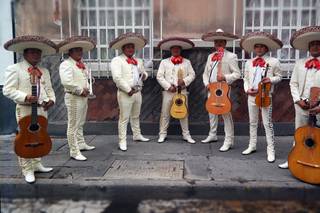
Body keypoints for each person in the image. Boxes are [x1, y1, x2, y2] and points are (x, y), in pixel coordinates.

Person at [3, 35, 57, 183]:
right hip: (25, 109)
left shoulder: (43, 70)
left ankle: (36, 163)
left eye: (38, 52)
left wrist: (51, 100)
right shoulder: (15, 69)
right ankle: (27, 169)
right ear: (25, 53)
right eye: (32, 52)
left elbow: (49, 89)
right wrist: (25, 97)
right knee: (25, 137)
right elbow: (7, 90)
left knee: (39, 135)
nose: (36, 55)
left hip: (42, 109)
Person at [240, 32, 283, 163]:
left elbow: (279, 77)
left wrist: (270, 79)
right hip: (252, 96)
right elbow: (245, 78)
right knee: (252, 122)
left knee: (267, 123)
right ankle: (252, 145)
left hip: (265, 96)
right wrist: (248, 90)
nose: (258, 49)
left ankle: (271, 149)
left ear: (266, 48)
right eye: (256, 47)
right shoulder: (249, 62)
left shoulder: (273, 61)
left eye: (261, 47)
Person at [201, 29, 241, 152]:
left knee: (225, 113)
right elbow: (205, 73)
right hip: (211, 89)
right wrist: (207, 83)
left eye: (221, 42)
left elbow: (237, 74)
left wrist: (225, 77)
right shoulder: (210, 57)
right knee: (211, 111)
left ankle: (229, 140)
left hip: (223, 89)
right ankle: (213, 134)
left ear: (225, 43)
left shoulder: (231, 56)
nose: (218, 44)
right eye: (216, 42)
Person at [109, 32, 150, 151]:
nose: (130, 49)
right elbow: (117, 78)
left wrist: (144, 76)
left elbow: (144, 73)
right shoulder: (117, 60)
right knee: (124, 118)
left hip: (138, 92)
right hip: (125, 93)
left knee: (136, 115)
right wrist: (128, 89)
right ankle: (122, 141)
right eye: (128, 47)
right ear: (123, 48)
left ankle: (137, 135)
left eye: (132, 47)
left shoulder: (139, 61)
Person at [58, 36, 96, 161]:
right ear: (70, 52)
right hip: (74, 97)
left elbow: (85, 79)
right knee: (73, 124)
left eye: (81, 50)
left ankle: (81, 143)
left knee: (80, 122)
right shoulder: (66, 64)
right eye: (76, 50)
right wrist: (80, 90)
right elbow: (66, 82)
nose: (80, 52)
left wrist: (89, 84)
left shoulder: (81, 65)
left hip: (82, 97)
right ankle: (74, 151)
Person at [156, 37, 196, 143]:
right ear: (171, 50)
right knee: (165, 113)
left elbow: (192, 75)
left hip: (182, 91)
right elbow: (159, 76)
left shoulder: (187, 62)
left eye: (178, 48)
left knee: (184, 113)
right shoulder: (164, 62)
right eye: (174, 48)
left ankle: (186, 135)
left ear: (180, 50)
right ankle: (162, 134)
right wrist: (169, 87)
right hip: (168, 91)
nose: (176, 50)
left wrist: (184, 81)